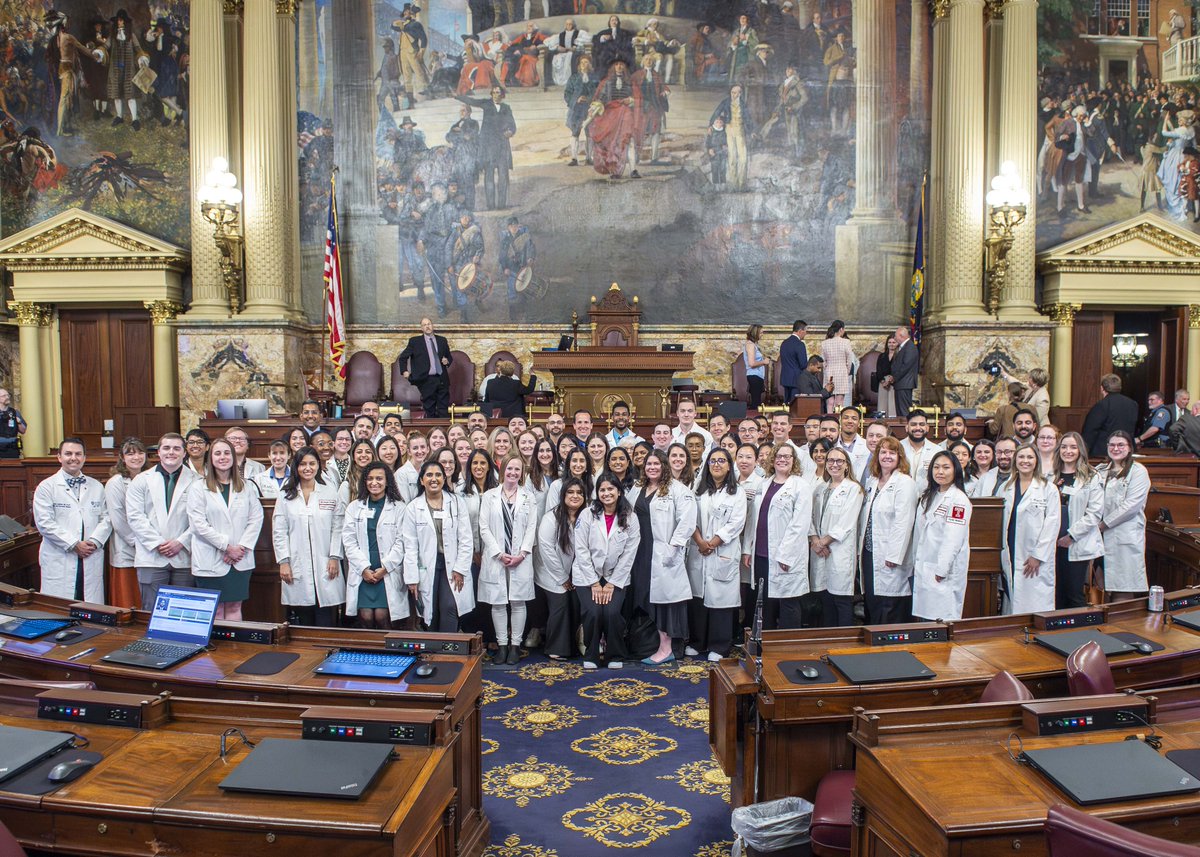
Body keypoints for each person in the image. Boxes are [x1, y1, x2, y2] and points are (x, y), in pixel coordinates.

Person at [187, 438, 264, 621]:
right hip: (210, 558)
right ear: (210, 458)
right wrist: (227, 547)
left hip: (240, 558)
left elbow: (256, 518)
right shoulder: (198, 487)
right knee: (216, 609)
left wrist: (241, 547)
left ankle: (235, 647)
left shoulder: (246, 487)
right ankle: (217, 649)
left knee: (235, 605)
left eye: (227, 453)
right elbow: (198, 524)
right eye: (218, 453)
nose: (223, 457)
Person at [631, 450, 696, 665]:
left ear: (664, 466)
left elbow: (686, 522)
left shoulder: (678, 490)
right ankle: (649, 644)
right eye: (649, 464)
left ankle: (666, 648)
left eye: (657, 464)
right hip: (640, 551)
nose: (652, 467)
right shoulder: (638, 487)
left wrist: (674, 547)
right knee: (645, 596)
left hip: (663, 552)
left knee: (663, 602)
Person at [574, 472, 640, 670]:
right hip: (587, 575)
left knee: (611, 612)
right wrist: (594, 582)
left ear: (619, 491)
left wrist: (611, 583)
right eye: (602, 490)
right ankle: (592, 654)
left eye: (610, 489)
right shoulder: (587, 514)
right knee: (593, 612)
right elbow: (581, 549)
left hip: (615, 576)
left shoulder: (630, 517)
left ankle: (615, 654)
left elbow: (629, 553)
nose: (606, 493)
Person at [273, 447, 346, 626]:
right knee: (303, 620)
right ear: (296, 467)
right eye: (303, 464)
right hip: (296, 564)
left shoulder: (329, 492)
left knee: (326, 620)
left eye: (312, 463)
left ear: (318, 466)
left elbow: (337, 528)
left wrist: (334, 557)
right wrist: (283, 562)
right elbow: (279, 530)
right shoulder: (285, 495)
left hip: (326, 563)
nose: (308, 468)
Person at [33, 437, 111, 602]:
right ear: (59, 457)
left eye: (78, 454)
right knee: (60, 607)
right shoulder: (46, 487)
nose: (73, 458)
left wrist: (94, 542)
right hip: (60, 554)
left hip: (90, 553)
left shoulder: (96, 486)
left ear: (84, 457)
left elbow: (107, 518)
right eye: (68, 453)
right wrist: (75, 544)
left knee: (90, 608)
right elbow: (44, 524)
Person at [126, 433, 199, 609]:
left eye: (176, 448)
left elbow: (201, 519)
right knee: (151, 611)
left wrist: (181, 542)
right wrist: (158, 543)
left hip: (184, 556)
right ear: (158, 452)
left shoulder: (197, 481)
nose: (171, 452)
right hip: (151, 556)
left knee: (182, 612)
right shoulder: (142, 480)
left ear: (184, 453)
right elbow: (135, 516)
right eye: (166, 448)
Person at [743, 442, 811, 630]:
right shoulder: (764, 484)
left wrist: (786, 555)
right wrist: (748, 549)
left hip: (786, 556)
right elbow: (753, 519)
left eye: (787, 456)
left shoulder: (800, 486)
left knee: (788, 603)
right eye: (779, 456)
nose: (782, 460)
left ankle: (787, 648)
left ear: (793, 460)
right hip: (762, 554)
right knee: (765, 603)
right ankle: (765, 647)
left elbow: (800, 524)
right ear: (773, 459)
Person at [478, 454, 537, 664]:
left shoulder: (528, 497)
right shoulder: (489, 496)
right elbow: (483, 527)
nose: (513, 473)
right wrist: (498, 553)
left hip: (520, 558)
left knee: (518, 601)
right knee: (498, 602)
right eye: (510, 468)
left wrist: (522, 554)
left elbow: (532, 528)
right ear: (503, 470)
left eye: (517, 470)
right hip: (496, 558)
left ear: (522, 474)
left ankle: (515, 646)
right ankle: (502, 646)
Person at [687, 449, 746, 660]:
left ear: (730, 466)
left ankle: (720, 646)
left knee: (721, 601)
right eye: (713, 460)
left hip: (722, 551)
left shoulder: (737, 492)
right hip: (699, 550)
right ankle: (698, 642)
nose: (717, 464)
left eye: (722, 460)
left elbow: (736, 523)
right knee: (699, 599)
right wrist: (700, 542)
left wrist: (711, 543)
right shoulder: (698, 489)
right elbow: (689, 517)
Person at [404, 460, 476, 631]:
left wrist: (460, 568)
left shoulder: (457, 503)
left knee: (450, 606)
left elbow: (466, 539)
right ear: (421, 480)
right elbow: (410, 545)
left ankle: (447, 651)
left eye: (438, 475)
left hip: (451, 564)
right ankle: (433, 652)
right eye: (429, 475)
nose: (434, 479)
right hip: (426, 566)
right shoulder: (413, 507)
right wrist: (412, 577)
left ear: (444, 478)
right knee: (431, 611)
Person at [341, 463, 409, 630]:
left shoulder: (399, 508)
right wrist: (363, 568)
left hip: (386, 569)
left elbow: (402, 541)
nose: (374, 482)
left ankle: (386, 655)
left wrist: (386, 567)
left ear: (387, 481)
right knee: (365, 616)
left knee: (381, 616)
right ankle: (368, 654)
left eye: (379, 478)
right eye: (370, 479)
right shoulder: (354, 507)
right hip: (364, 570)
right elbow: (349, 540)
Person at [859, 436, 917, 624]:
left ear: (900, 457)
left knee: (890, 602)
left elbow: (904, 522)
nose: (887, 456)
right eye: (883, 452)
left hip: (890, 555)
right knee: (872, 599)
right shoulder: (872, 482)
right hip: (869, 551)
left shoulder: (904, 483)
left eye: (892, 452)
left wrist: (894, 555)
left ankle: (889, 647)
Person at [911, 451, 972, 621]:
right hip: (926, 564)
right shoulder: (930, 496)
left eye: (946, 467)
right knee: (926, 618)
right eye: (936, 467)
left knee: (942, 619)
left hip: (943, 571)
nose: (940, 472)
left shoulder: (958, 500)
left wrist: (942, 569)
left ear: (956, 471)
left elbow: (953, 539)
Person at [999, 444, 1060, 615]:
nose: (1025, 461)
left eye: (1030, 457)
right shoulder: (1005, 488)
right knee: (1013, 594)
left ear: (1036, 461)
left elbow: (1052, 524)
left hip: (1035, 553)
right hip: (1010, 548)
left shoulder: (1048, 488)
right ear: (1015, 460)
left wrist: (1038, 555)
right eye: (1021, 457)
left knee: (1034, 597)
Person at [809, 447, 863, 626]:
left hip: (839, 549)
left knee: (841, 599)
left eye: (839, 461)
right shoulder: (819, 489)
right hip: (820, 549)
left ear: (847, 465)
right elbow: (811, 517)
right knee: (825, 599)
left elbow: (846, 523)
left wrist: (823, 542)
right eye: (830, 461)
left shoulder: (853, 489)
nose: (834, 464)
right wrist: (815, 540)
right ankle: (828, 638)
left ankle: (844, 641)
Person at [1053, 431, 1105, 610]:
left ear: (1080, 450)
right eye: (1064, 447)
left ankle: (1078, 633)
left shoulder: (1091, 476)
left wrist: (1071, 536)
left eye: (1073, 447)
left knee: (1073, 592)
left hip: (1075, 542)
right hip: (1051, 543)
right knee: (1055, 592)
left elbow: (1094, 513)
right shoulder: (1051, 475)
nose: (1068, 451)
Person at [1098, 432, 1151, 601]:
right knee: (1100, 586)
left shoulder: (1138, 471)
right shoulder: (1100, 470)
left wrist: (1103, 524)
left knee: (1123, 585)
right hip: (1098, 536)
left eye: (1121, 445)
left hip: (1124, 535)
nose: (1116, 448)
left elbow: (1131, 506)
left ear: (1129, 448)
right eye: (1112, 445)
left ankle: (1120, 625)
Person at [537, 476, 586, 660]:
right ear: (563, 495)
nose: (575, 496)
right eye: (570, 492)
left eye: (579, 493)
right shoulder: (552, 517)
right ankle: (556, 647)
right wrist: (562, 577)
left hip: (577, 571)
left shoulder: (587, 515)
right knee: (561, 603)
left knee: (578, 602)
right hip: (552, 572)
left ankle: (575, 644)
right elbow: (547, 550)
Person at [105, 437, 147, 608]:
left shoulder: (150, 477)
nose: (136, 457)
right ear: (122, 457)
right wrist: (138, 543)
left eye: (139, 452)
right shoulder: (116, 483)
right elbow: (118, 519)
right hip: (128, 546)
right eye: (130, 454)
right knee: (128, 598)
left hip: (149, 546)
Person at [398, 317, 453, 418]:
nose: (427, 326)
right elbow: (403, 357)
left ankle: (443, 431)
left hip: (442, 379)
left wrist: (447, 361)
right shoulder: (415, 342)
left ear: (433, 326)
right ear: (421, 328)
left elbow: (449, 356)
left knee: (443, 410)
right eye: (424, 325)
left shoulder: (442, 340)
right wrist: (404, 371)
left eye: (429, 324)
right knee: (430, 409)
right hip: (426, 380)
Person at [1081, 374, 1140, 459]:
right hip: (1126, 451)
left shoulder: (1102, 405)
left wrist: (1084, 452)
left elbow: (1090, 431)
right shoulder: (1133, 404)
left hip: (1104, 452)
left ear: (1102, 388)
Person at [900, 410, 943, 492]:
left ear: (927, 428)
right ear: (906, 428)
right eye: (913, 424)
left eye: (922, 424)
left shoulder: (937, 451)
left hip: (928, 498)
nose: (918, 428)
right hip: (901, 497)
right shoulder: (897, 448)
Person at [819, 320, 855, 409]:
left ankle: (829, 419)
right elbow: (849, 359)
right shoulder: (846, 342)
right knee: (840, 401)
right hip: (842, 371)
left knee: (829, 400)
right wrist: (847, 371)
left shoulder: (825, 343)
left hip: (829, 372)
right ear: (841, 329)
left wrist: (827, 368)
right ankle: (838, 421)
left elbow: (823, 361)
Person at [889, 326, 918, 418]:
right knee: (900, 412)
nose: (894, 338)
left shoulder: (910, 347)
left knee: (904, 411)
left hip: (905, 383)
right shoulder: (904, 346)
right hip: (901, 383)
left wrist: (894, 378)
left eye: (895, 336)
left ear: (901, 335)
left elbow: (905, 366)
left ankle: (905, 430)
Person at [742, 324, 770, 410]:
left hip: (757, 376)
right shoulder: (750, 345)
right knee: (756, 403)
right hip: (754, 376)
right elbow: (751, 363)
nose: (762, 335)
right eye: (761, 333)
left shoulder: (753, 345)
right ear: (755, 333)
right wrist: (764, 362)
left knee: (757, 401)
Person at [0, 388, 27, 458]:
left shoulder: (15, 412)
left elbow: (23, 431)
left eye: (8, 395)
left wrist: (19, 423)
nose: (7, 397)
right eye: (4, 396)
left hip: (12, 449)